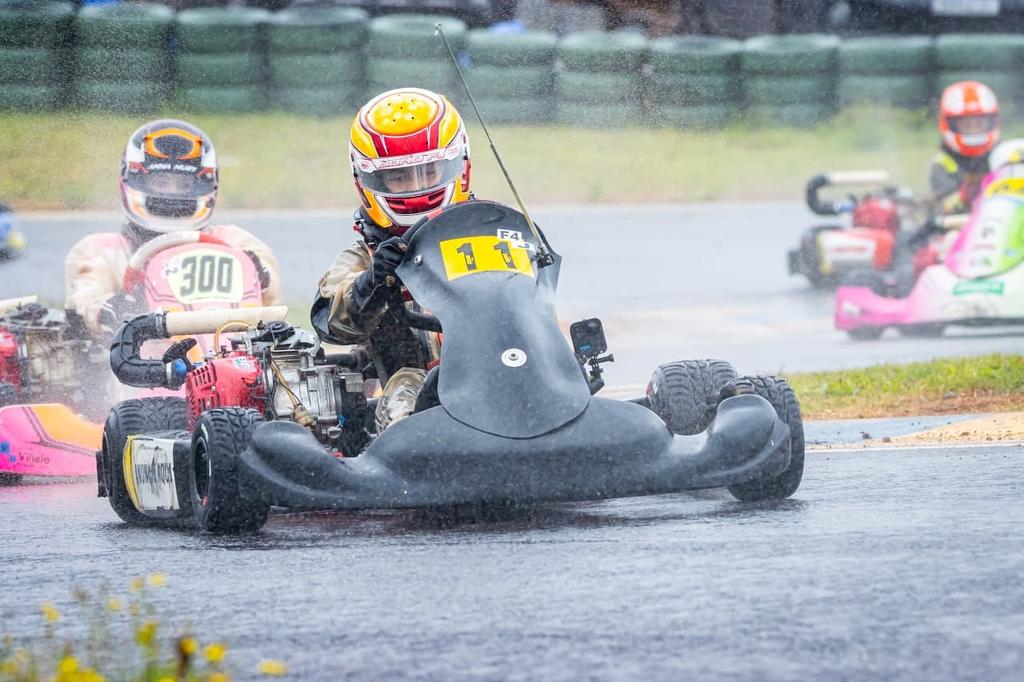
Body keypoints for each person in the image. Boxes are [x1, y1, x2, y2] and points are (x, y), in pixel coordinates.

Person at [311, 87, 472, 431]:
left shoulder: (491, 232)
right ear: (367, 181)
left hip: (497, 366)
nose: (416, 186)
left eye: (429, 171)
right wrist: (375, 281)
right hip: (419, 385)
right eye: (399, 177)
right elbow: (332, 320)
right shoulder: (363, 259)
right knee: (405, 398)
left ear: (458, 164)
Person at [64, 119, 281, 339]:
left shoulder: (235, 242)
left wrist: (257, 273)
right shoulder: (102, 251)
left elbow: (271, 296)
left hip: (226, 357)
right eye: (161, 181)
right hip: (133, 364)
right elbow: (85, 299)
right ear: (133, 178)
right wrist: (111, 310)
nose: (172, 193)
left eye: (184, 184)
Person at [930, 80, 1000, 215]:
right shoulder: (942, 164)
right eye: (967, 126)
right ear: (950, 125)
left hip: (1004, 222)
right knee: (950, 237)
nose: (974, 131)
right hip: (961, 227)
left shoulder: (1004, 155)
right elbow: (942, 208)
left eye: (979, 125)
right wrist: (964, 196)